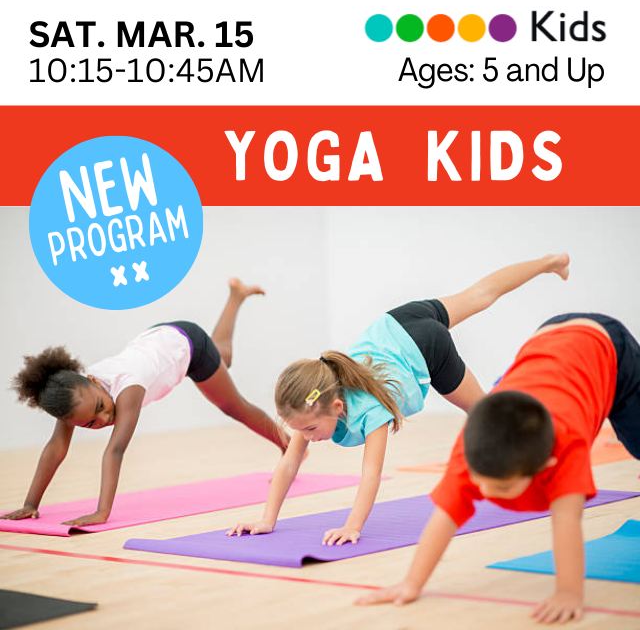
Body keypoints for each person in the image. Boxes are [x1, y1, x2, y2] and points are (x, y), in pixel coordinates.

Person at [227, 254, 570, 546]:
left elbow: (371, 474)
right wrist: (266, 519)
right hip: (396, 322)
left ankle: (519, 390)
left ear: (337, 407)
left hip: (426, 347)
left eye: (311, 429)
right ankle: (550, 262)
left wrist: (353, 527)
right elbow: (289, 463)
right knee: (480, 295)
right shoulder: (312, 404)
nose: (308, 437)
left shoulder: (368, 410)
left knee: (484, 412)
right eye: (301, 430)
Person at [356, 312, 640, 624]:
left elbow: (567, 521)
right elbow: (444, 517)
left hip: (607, 346)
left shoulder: (565, 447)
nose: (487, 494)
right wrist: (411, 583)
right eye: (480, 482)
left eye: (502, 487)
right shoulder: (475, 444)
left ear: (546, 465)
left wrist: (569, 593)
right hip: (547, 338)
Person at [2, 279, 288, 527]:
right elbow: (56, 448)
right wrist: (30, 504)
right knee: (224, 355)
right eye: (90, 423)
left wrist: (102, 512)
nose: (103, 419)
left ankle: (289, 446)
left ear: (93, 379)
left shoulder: (128, 388)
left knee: (234, 406)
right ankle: (236, 296)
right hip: (158, 339)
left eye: (101, 407)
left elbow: (115, 450)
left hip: (188, 345)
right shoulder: (74, 398)